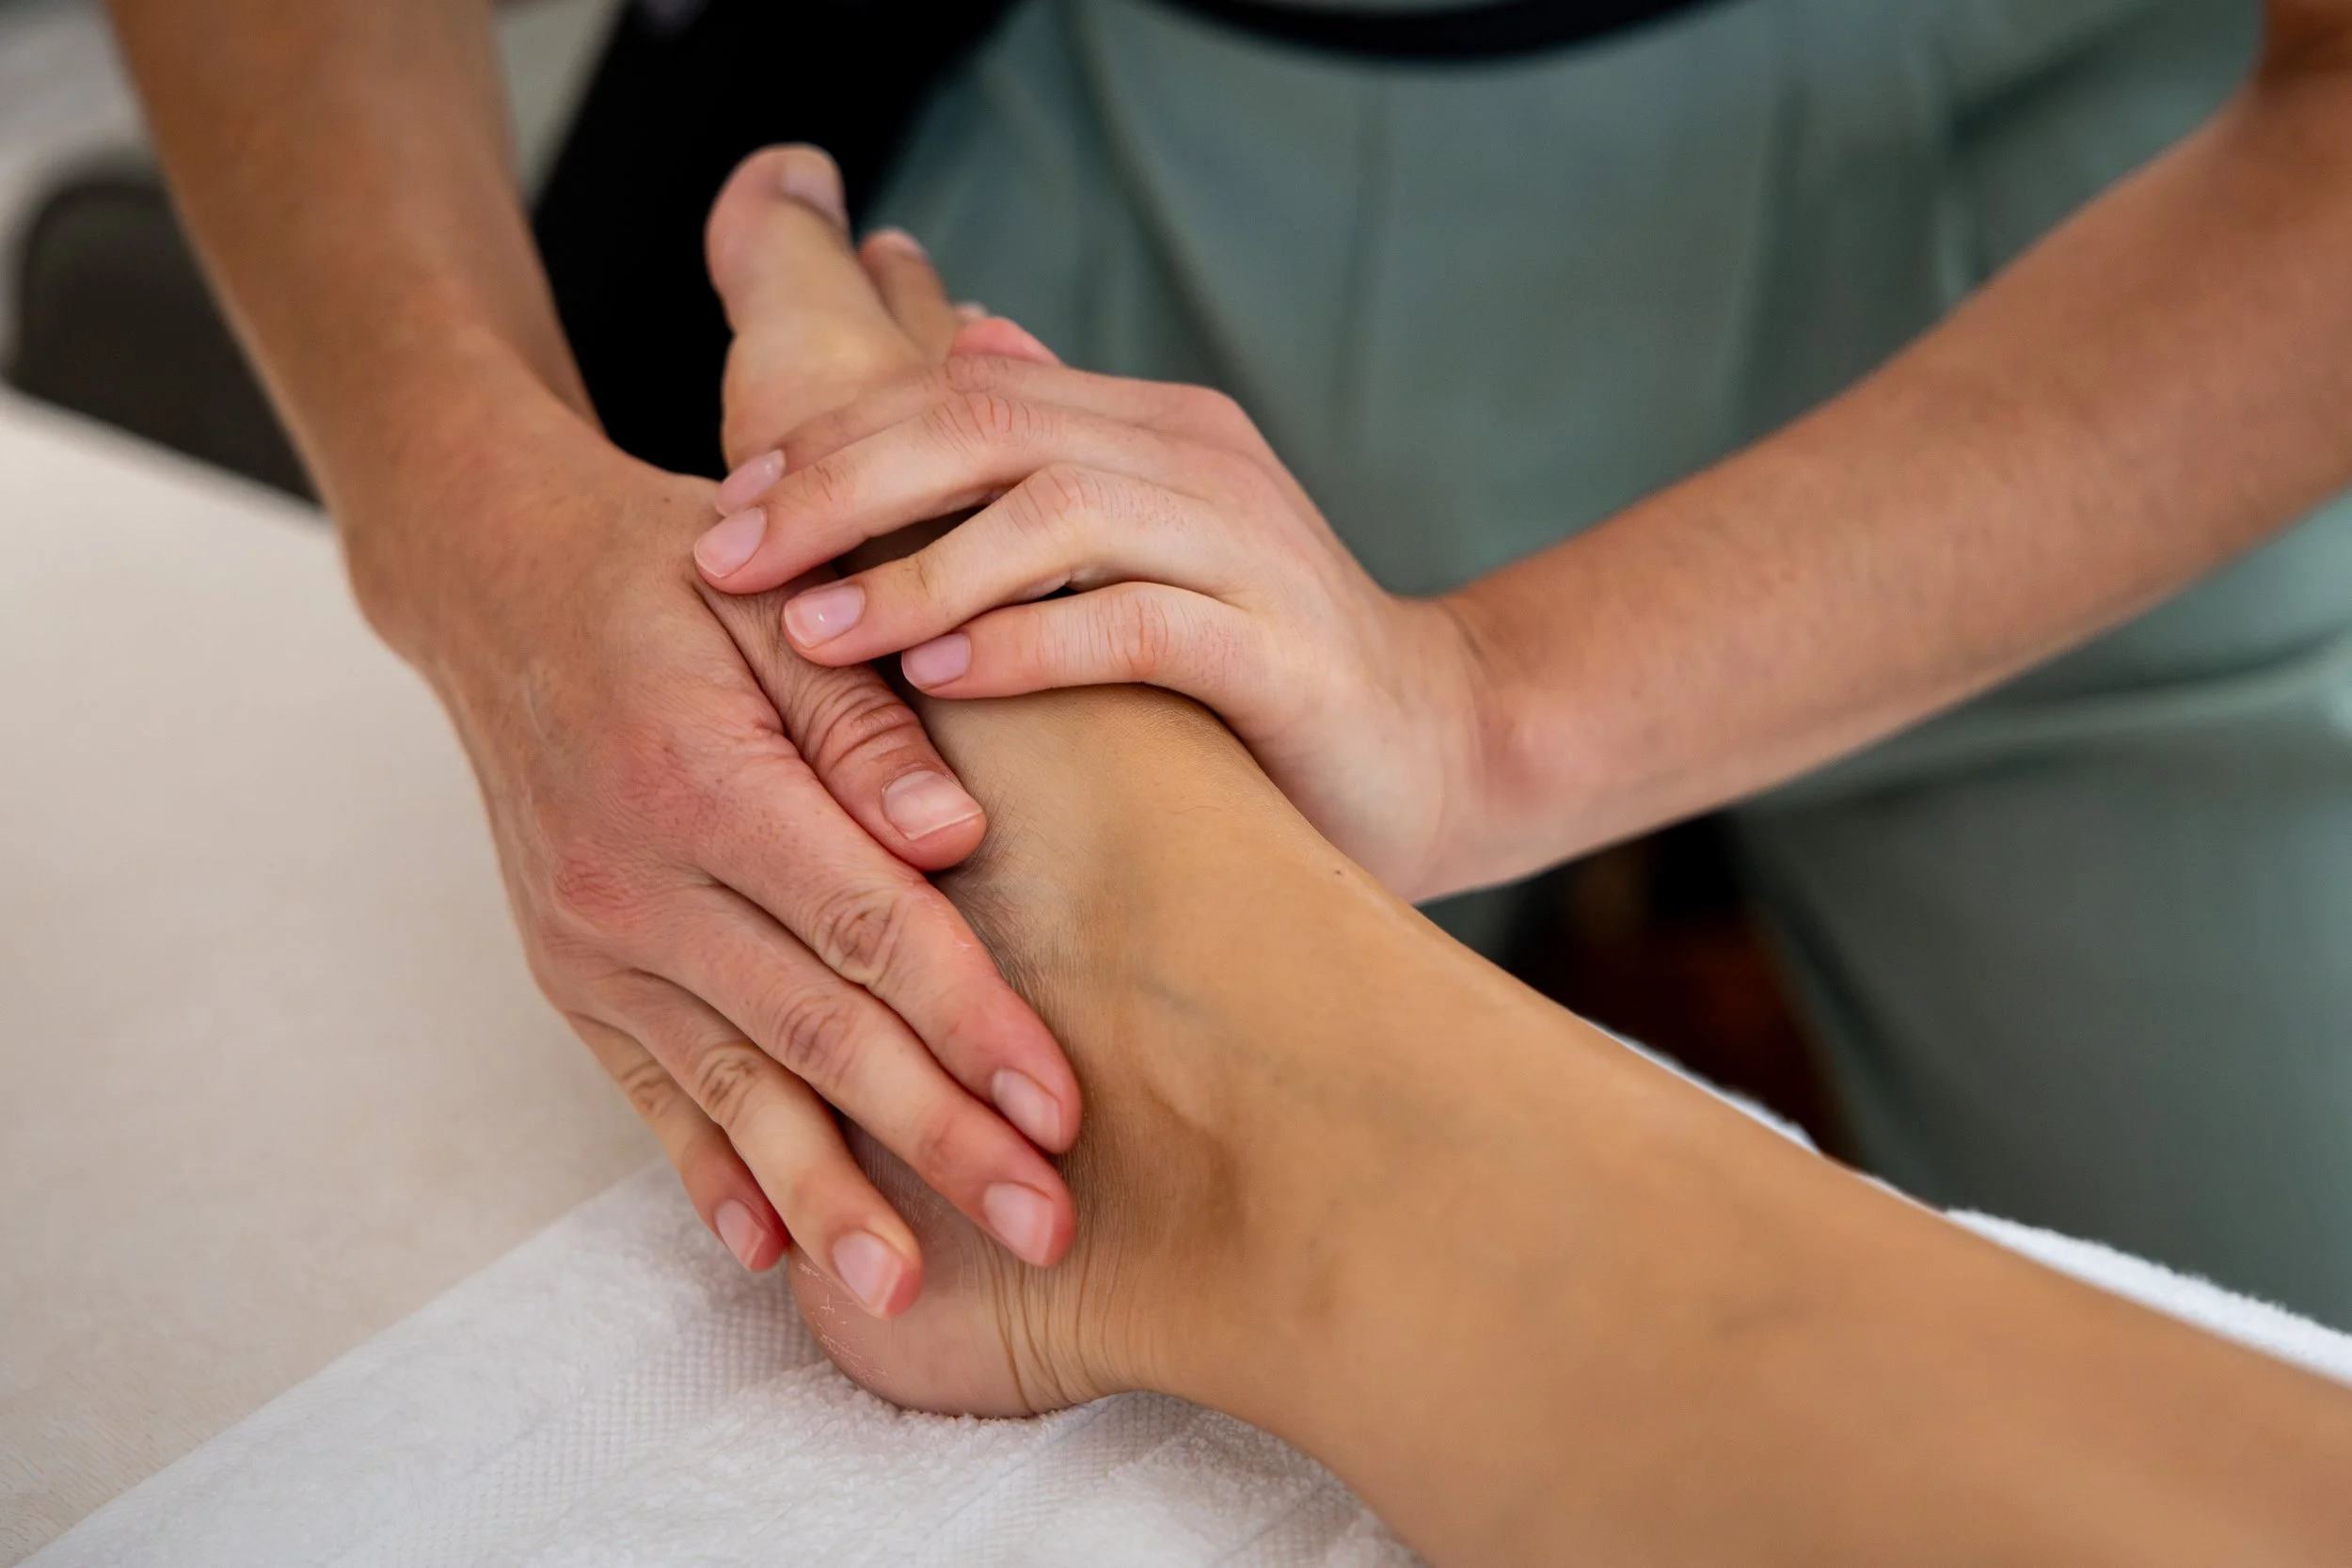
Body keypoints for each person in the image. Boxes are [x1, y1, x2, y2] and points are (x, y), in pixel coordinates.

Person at [109, 0, 2352, 1323]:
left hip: (2120, 245)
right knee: (850, 1216)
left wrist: (1486, 712)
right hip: (1106, 140)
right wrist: (470, 530)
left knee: (2258, 1373)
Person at [722, 155, 2352, 1567]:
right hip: (1202, 134)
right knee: (893, 515)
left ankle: (1271, 1100)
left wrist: (1484, 716)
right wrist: (507, 553)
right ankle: (1254, 1045)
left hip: (2147, 263)